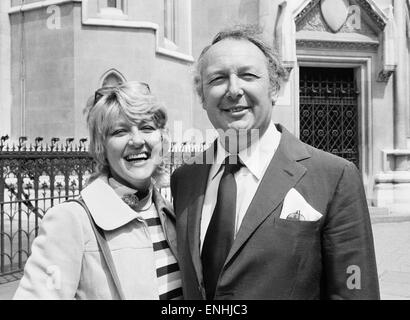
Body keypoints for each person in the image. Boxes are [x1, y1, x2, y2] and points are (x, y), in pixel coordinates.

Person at [171, 25, 380, 300]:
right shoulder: (184, 179)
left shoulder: (334, 176)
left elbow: (355, 291)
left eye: (248, 75)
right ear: (202, 96)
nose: (234, 90)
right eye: (218, 78)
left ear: (274, 87)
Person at [14, 81, 183, 300]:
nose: (137, 140)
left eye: (147, 128)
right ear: (102, 146)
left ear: (162, 138)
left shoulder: (171, 214)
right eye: (120, 131)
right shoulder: (73, 220)